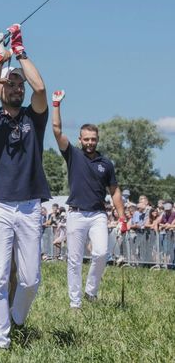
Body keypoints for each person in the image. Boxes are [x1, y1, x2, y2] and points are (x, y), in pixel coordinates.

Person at [0, 24, 51, 349]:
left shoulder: (34, 118)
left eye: (19, 83)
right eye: (11, 83)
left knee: (31, 278)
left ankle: (16, 318)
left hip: (30, 205)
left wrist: (19, 52)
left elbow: (42, 88)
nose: (16, 87)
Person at [51, 89, 125, 309]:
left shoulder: (106, 163)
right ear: (80, 140)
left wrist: (122, 218)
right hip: (75, 214)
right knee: (74, 261)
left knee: (101, 253)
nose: (90, 142)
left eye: (93, 139)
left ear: (98, 139)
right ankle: (75, 303)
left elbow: (115, 191)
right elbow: (56, 131)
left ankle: (91, 292)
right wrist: (56, 104)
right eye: (86, 139)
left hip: (97, 215)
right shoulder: (73, 154)